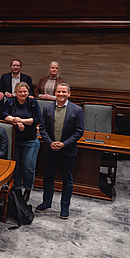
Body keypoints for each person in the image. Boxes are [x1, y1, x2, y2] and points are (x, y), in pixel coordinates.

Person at [37, 83, 84, 219]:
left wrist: (64, 144)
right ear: (55, 93)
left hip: (67, 150)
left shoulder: (77, 110)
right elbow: (43, 128)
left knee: (67, 180)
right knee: (48, 178)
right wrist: (50, 142)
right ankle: (46, 202)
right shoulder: (47, 108)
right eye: (58, 92)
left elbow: (79, 131)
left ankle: (64, 207)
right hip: (49, 149)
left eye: (64, 92)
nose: (61, 94)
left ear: (69, 93)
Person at [2, 81, 41, 201]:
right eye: (20, 91)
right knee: (16, 167)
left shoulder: (33, 103)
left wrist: (22, 121)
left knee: (28, 168)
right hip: (14, 141)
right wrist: (15, 120)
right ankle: (17, 188)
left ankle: (28, 189)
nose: (23, 93)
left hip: (30, 141)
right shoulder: (10, 102)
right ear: (15, 92)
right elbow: (3, 114)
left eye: (25, 91)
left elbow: (37, 119)